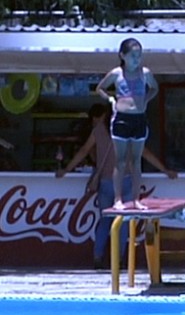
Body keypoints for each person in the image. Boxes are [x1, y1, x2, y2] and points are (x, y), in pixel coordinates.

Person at [56, 103, 177, 269]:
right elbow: (145, 153)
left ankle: (98, 257)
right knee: (123, 223)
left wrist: (66, 169)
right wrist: (165, 170)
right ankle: (118, 260)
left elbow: (84, 151)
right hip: (126, 181)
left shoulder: (98, 130)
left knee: (105, 221)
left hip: (105, 182)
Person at [96, 38, 159, 210]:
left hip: (139, 119)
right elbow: (100, 88)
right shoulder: (117, 73)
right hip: (121, 119)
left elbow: (155, 88)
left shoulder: (145, 73)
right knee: (121, 161)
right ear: (122, 55)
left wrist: (146, 99)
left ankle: (136, 199)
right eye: (133, 55)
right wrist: (110, 99)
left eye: (139, 55)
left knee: (136, 161)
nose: (136, 59)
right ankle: (118, 199)